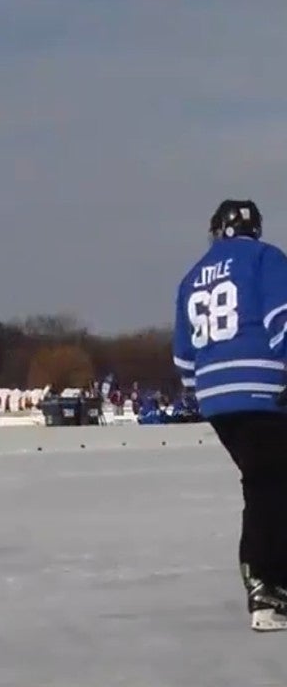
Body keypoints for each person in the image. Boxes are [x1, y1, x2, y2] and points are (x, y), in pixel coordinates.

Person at [172, 199, 287, 631]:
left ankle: (269, 581)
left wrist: (203, 390)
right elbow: (283, 317)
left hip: (217, 397)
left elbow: (184, 356)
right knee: (270, 486)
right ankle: (266, 586)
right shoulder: (266, 258)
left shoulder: (191, 276)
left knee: (264, 482)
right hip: (265, 389)